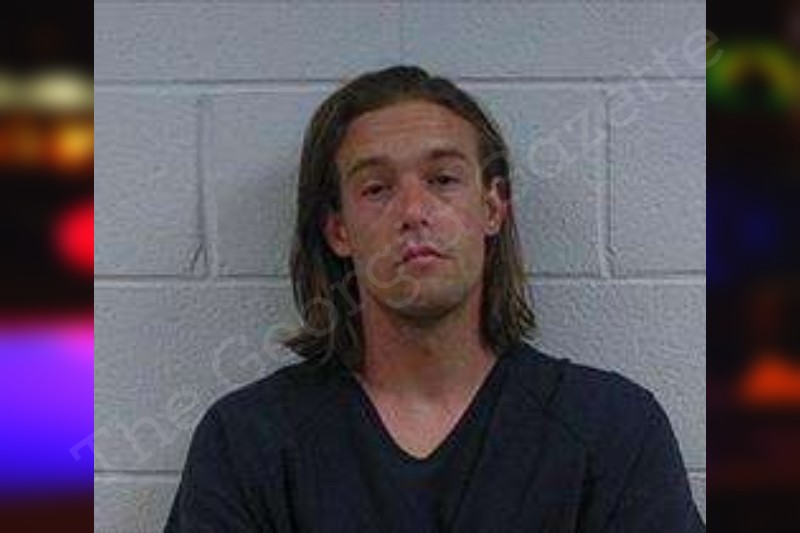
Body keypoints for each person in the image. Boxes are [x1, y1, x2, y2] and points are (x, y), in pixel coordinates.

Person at [165, 65, 705, 532]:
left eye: (443, 179)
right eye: (376, 188)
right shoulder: (248, 442)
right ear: (339, 230)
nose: (414, 211)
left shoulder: (611, 430)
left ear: (492, 208)